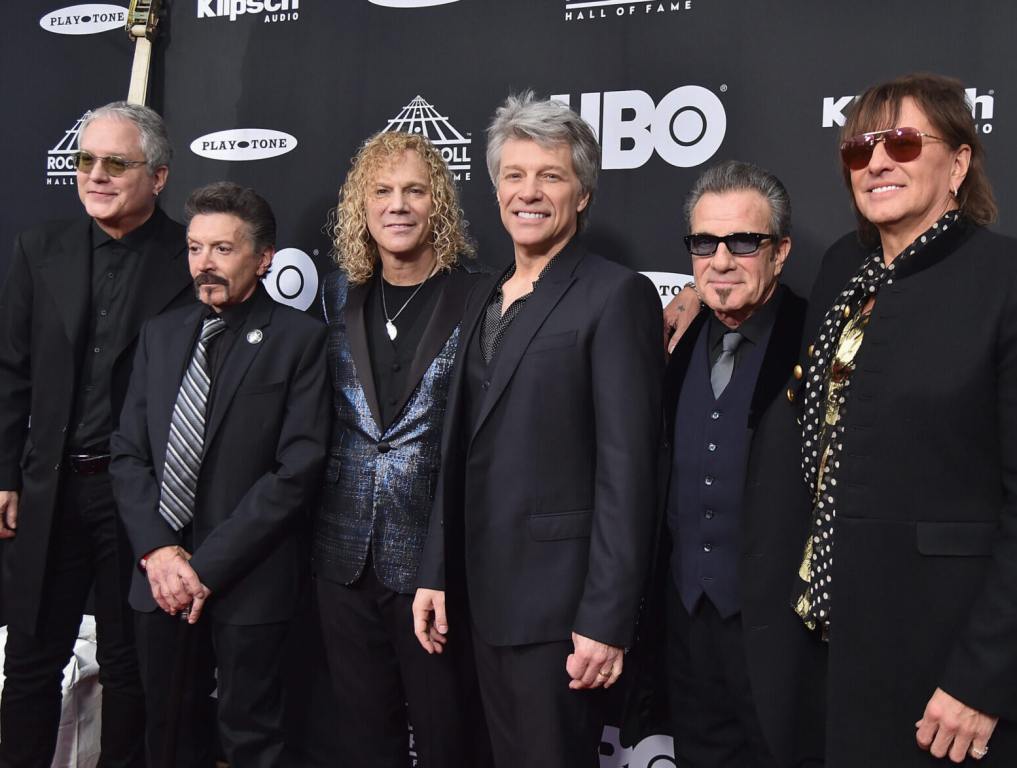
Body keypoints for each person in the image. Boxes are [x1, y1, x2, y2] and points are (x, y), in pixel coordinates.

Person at [412, 92, 663, 768]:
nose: (528, 192)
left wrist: (605, 620)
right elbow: (455, 448)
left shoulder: (615, 295)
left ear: (581, 194)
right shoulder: (481, 294)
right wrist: (434, 571)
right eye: (513, 176)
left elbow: (628, 471)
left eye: (549, 176)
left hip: (557, 614)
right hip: (470, 603)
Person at [791, 73, 1017, 766]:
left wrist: (981, 677)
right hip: (830, 644)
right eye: (859, 149)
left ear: (957, 162)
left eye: (900, 141)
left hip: (944, 665)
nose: (877, 161)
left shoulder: (1003, 279)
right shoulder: (840, 269)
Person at [109, 182, 330, 767]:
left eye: (223, 250)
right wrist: (159, 553)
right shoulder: (160, 334)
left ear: (264, 260)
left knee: (251, 738)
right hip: (157, 582)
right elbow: (129, 453)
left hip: (249, 582)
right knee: (167, 734)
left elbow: (295, 471)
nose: (204, 264)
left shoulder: (300, 341)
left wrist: (203, 568)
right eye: (194, 248)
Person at [0, 101, 192, 768]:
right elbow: (11, 371)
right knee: (28, 662)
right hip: (48, 490)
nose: (96, 174)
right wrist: (4, 474)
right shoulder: (39, 248)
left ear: (158, 177)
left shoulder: (188, 258)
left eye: (116, 162)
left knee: (128, 668)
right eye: (86, 160)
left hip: (133, 500)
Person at [312, 130, 490, 767]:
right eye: (382, 191)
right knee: (363, 740)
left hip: (434, 566)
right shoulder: (335, 295)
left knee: (449, 739)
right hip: (342, 555)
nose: (398, 204)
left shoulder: (479, 298)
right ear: (361, 206)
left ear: (437, 201)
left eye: (415, 190)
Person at [659, 160, 824, 767]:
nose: (721, 260)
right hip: (689, 627)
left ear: (779, 253)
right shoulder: (669, 342)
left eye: (743, 242)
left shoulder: (820, 338)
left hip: (785, 636)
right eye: (705, 242)